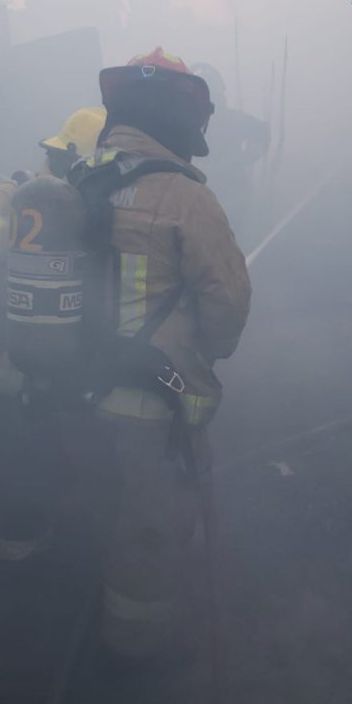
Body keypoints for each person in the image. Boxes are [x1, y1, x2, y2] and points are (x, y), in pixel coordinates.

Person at [84, 48, 251, 660]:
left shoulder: (80, 180)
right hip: (150, 409)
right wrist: (205, 351)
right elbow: (227, 305)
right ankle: (138, 651)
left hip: (68, 389)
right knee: (145, 532)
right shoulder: (186, 198)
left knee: (88, 500)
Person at [0, 107, 106, 562]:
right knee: (18, 457)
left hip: (59, 371)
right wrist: (21, 237)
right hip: (19, 366)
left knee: (40, 458)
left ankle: (35, 546)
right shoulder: (17, 195)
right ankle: (25, 557)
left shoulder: (98, 210)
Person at [191, 62, 270, 247]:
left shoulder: (231, 119)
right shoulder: (194, 121)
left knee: (221, 243)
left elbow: (262, 133)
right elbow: (262, 132)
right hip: (207, 195)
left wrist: (244, 158)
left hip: (228, 195)